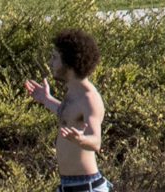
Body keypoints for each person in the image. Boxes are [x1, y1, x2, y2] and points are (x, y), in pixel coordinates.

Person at [25, 27, 108, 192]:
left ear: (69, 63)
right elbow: (67, 115)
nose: (50, 63)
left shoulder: (89, 98)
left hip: (86, 187)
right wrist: (46, 100)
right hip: (67, 186)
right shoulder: (73, 93)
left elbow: (96, 142)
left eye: (55, 58)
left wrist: (81, 140)